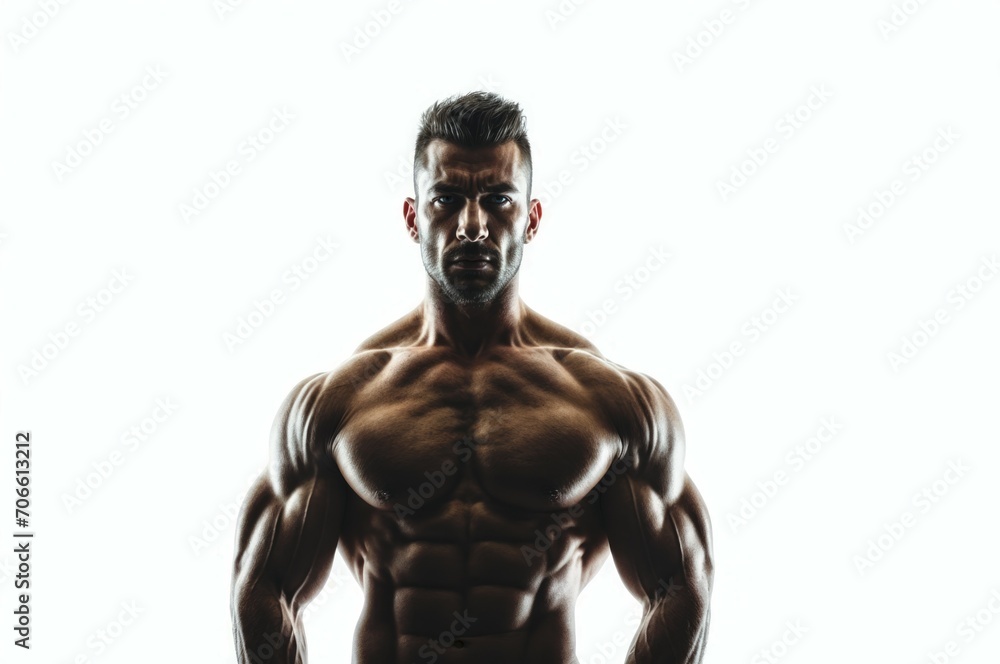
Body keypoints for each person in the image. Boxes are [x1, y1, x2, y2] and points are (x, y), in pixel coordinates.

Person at [231, 91, 713, 663]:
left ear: (530, 219)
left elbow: (681, 585)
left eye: (499, 200)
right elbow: (265, 586)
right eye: (447, 198)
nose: (473, 225)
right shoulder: (338, 404)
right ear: (414, 217)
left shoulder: (610, 403)